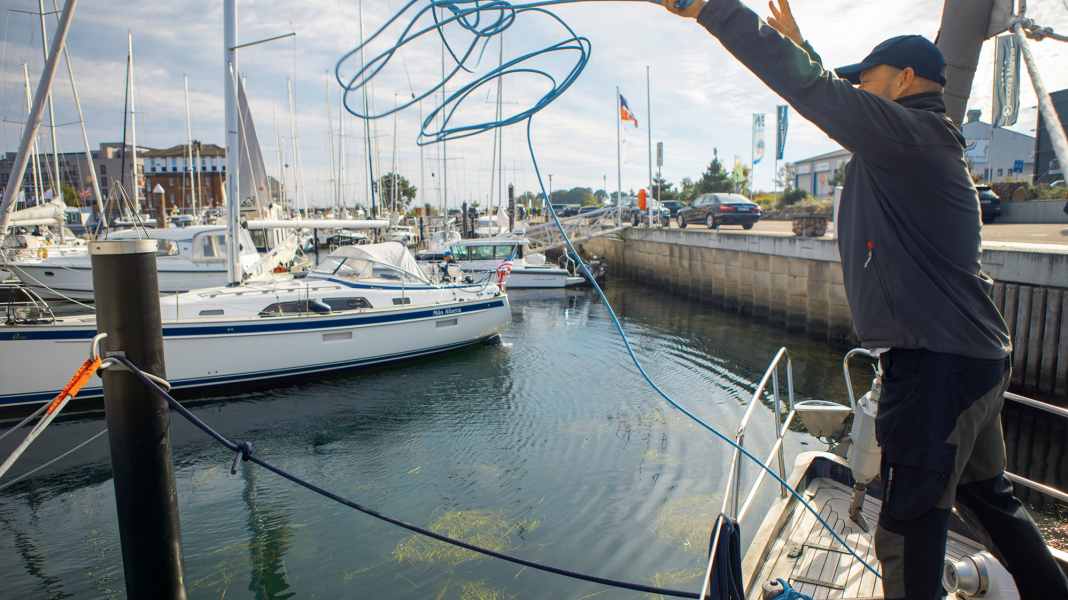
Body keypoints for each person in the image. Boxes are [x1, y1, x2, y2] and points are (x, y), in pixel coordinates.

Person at [662, 1, 1068, 598]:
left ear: (906, 80)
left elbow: (820, 96)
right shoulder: (915, 139)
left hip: (937, 367)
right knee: (987, 498)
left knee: (908, 528)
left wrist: (711, 9)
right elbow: (839, 99)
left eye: (867, 80)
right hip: (973, 359)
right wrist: (809, 56)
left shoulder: (909, 136)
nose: (855, 90)